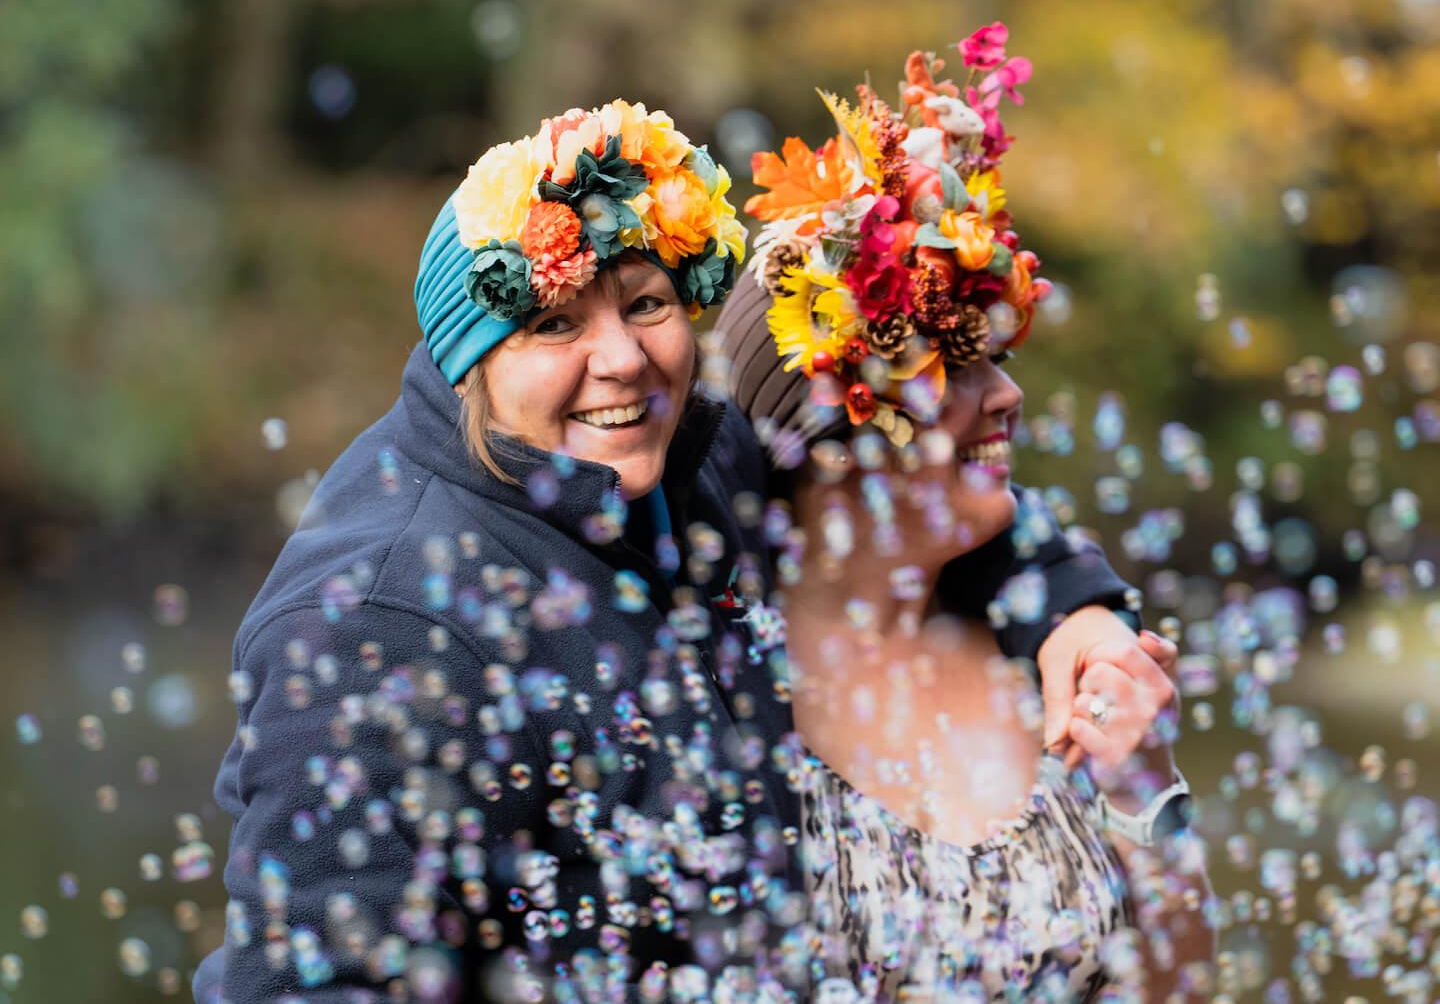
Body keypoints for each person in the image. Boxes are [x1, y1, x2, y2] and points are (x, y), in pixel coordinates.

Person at [195, 99, 1160, 1003]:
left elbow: (914, 502)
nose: (621, 358)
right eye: (555, 321)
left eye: (646, 304)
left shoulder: (685, 457)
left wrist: (1071, 608)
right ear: (471, 359)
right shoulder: (384, 624)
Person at [711, 28, 1214, 999]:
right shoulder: (720, 695)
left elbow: (1184, 987)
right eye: (949, 365)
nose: (1006, 396)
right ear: (829, 422)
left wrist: (1145, 788)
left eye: (999, 358)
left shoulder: (1053, 652)